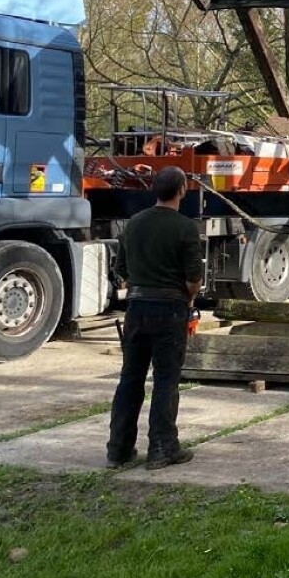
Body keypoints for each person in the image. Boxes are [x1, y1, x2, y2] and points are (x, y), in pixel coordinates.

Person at [106, 166, 203, 470]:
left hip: (136, 310)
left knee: (130, 379)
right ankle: (162, 449)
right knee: (165, 380)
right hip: (170, 311)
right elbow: (193, 279)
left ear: (155, 190)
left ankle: (118, 450)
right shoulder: (186, 228)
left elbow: (121, 270)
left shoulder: (134, 223)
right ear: (182, 190)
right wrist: (188, 298)